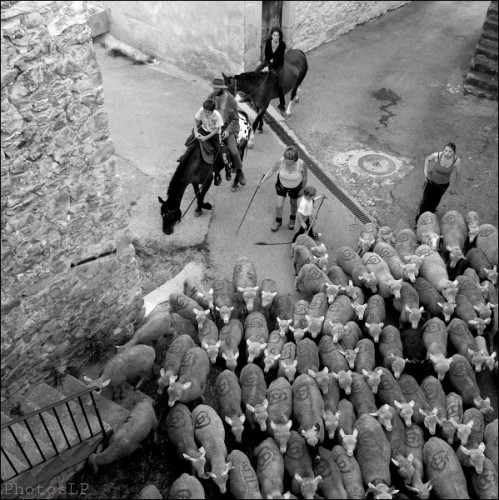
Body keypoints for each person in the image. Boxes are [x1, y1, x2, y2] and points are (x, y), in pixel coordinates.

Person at [207, 77, 246, 189]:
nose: (214, 90)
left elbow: (235, 119)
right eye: (214, 87)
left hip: (226, 128)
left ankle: (239, 171)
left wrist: (228, 131)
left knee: (234, 152)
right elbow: (206, 112)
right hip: (213, 126)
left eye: (217, 88)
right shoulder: (210, 97)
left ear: (222, 88)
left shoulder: (231, 100)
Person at [258, 145, 308, 231]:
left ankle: (292, 218)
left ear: (295, 159)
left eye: (290, 163)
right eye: (286, 161)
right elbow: (272, 170)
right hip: (281, 185)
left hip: (296, 188)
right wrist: (262, 180)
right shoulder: (281, 161)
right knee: (279, 205)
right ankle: (278, 221)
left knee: (293, 204)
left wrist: (303, 188)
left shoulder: (301, 164)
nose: (287, 164)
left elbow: (305, 177)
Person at [177, 99, 225, 185]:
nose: (206, 114)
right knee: (190, 141)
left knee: (219, 152)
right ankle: (184, 156)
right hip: (203, 129)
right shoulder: (202, 110)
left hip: (213, 134)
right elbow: (196, 120)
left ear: (213, 111)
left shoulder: (217, 116)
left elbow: (217, 129)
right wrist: (195, 132)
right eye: (205, 111)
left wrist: (206, 138)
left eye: (208, 112)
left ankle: (217, 173)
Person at [415, 142, 461, 223]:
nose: (447, 153)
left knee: (434, 202)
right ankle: (418, 220)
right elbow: (427, 159)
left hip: (443, 185)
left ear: (454, 152)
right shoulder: (438, 155)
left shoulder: (457, 160)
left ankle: (429, 219)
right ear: (443, 150)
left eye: (450, 151)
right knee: (425, 201)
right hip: (431, 181)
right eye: (446, 150)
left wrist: (454, 187)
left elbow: (458, 174)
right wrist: (425, 171)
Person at [255, 26, 287, 116]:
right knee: (255, 73)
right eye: (274, 35)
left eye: (277, 35)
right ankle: (250, 95)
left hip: (279, 66)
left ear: (280, 36)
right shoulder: (268, 42)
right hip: (268, 63)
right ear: (271, 36)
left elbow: (278, 59)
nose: (276, 37)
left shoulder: (283, 45)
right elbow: (267, 56)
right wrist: (268, 65)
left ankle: (282, 106)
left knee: (280, 86)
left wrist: (269, 67)